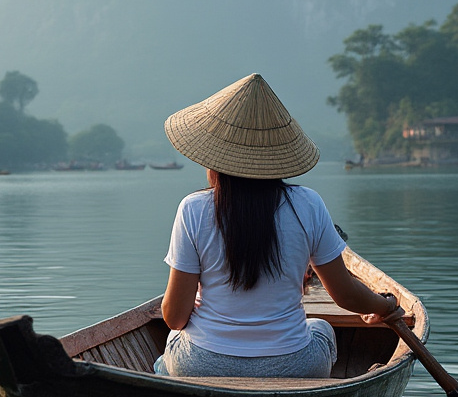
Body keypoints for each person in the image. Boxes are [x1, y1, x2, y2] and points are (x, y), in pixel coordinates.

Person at [154, 73, 406, 378]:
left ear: (214, 158)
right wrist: (384, 306)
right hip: (293, 366)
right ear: (278, 157)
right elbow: (345, 295)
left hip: (204, 366)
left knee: (167, 352)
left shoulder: (192, 209)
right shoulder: (308, 204)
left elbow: (175, 318)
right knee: (321, 329)